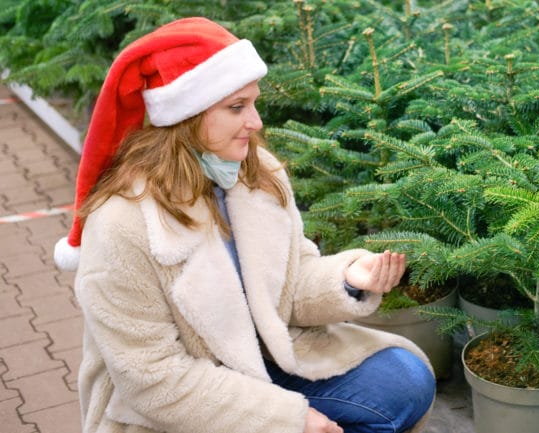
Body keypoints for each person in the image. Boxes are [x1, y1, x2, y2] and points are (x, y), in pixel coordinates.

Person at [53, 17, 435, 433]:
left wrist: (347, 278)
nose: (255, 122)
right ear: (187, 117)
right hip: (179, 399)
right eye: (236, 107)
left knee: (406, 381)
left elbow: (290, 284)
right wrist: (288, 419)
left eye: (253, 103)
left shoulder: (256, 172)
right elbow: (153, 379)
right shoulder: (121, 222)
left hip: (263, 358)